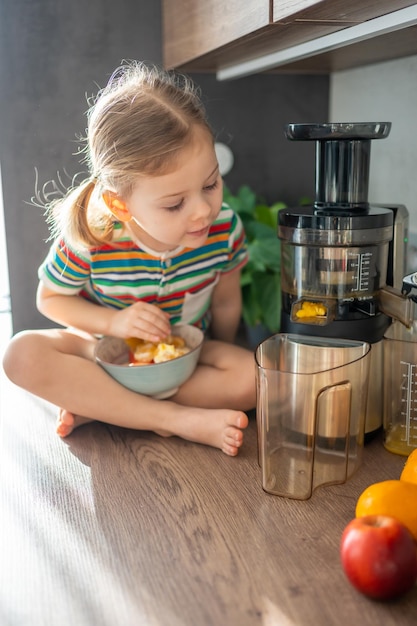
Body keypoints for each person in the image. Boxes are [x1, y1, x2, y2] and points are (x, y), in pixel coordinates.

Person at [2, 61, 256, 456]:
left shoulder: (223, 229)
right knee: (20, 355)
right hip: (107, 355)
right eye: (175, 205)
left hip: (187, 353)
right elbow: (49, 299)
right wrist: (114, 322)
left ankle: (104, 407)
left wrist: (220, 353)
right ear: (120, 206)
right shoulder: (94, 235)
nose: (203, 211)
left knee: (253, 379)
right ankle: (173, 420)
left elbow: (225, 300)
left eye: (211, 184)